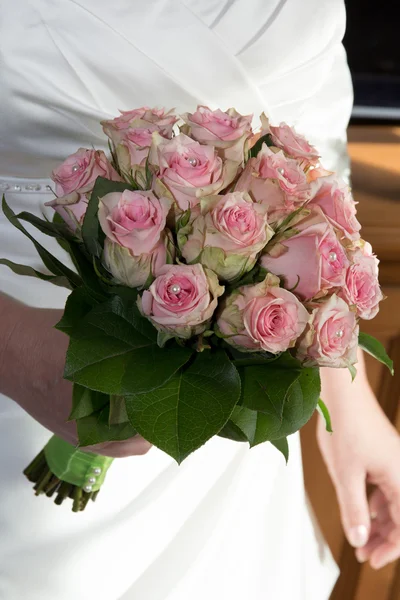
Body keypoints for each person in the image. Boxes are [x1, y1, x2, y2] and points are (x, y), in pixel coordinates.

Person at [0, 1, 399, 598]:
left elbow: (311, 146)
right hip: (27, 384)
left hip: (233, 412)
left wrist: (346, 389)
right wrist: (8, 352)